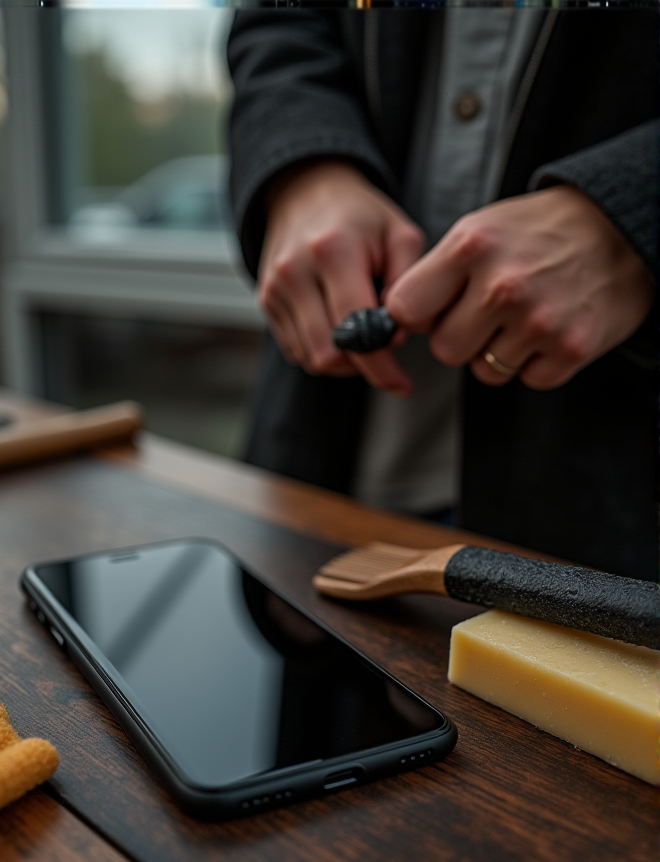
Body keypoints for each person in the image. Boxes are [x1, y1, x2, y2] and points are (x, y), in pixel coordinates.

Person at [227, 7, 658, 580]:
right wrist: (304, 166)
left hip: (612, 512)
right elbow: (279, 23)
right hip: (322, 480)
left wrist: (633, 216)